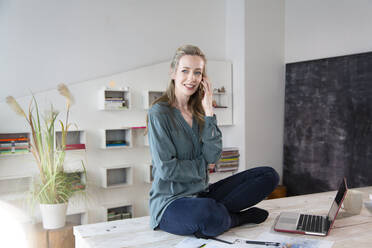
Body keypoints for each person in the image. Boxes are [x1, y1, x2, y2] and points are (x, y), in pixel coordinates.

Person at [146, 44, 279, 238]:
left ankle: (219, 217)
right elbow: (167, 169)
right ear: (173, 73)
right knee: (206, 212)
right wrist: (203, 166)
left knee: (269, 175)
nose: (191, 78)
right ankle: (236, 219)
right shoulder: (159, 113)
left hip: (202, 193)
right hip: (170, 203)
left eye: (197, 73)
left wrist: (209, 110)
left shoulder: (200, 112)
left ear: (203, 78)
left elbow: (213, 156)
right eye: (185, 71)